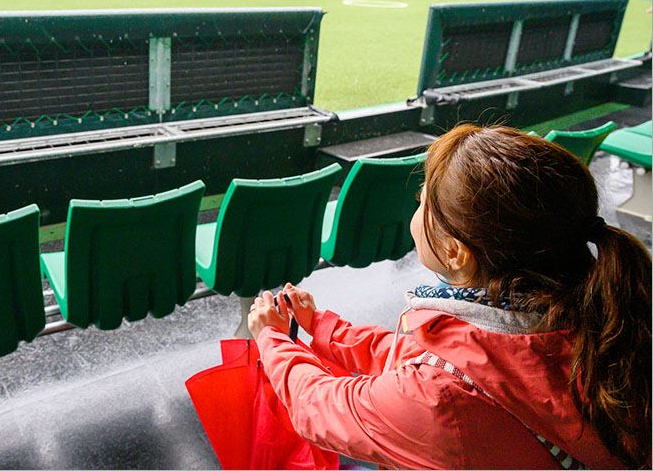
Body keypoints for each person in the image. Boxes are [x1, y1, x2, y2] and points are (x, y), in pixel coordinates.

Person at [247, 124, 651, 470]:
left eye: (423, 202)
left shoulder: (437, 398)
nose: (417, 209)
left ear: (456, 251)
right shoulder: (603, 307)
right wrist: (324, 328)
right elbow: (456, 360)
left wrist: (272, 338)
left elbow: (318, 407)